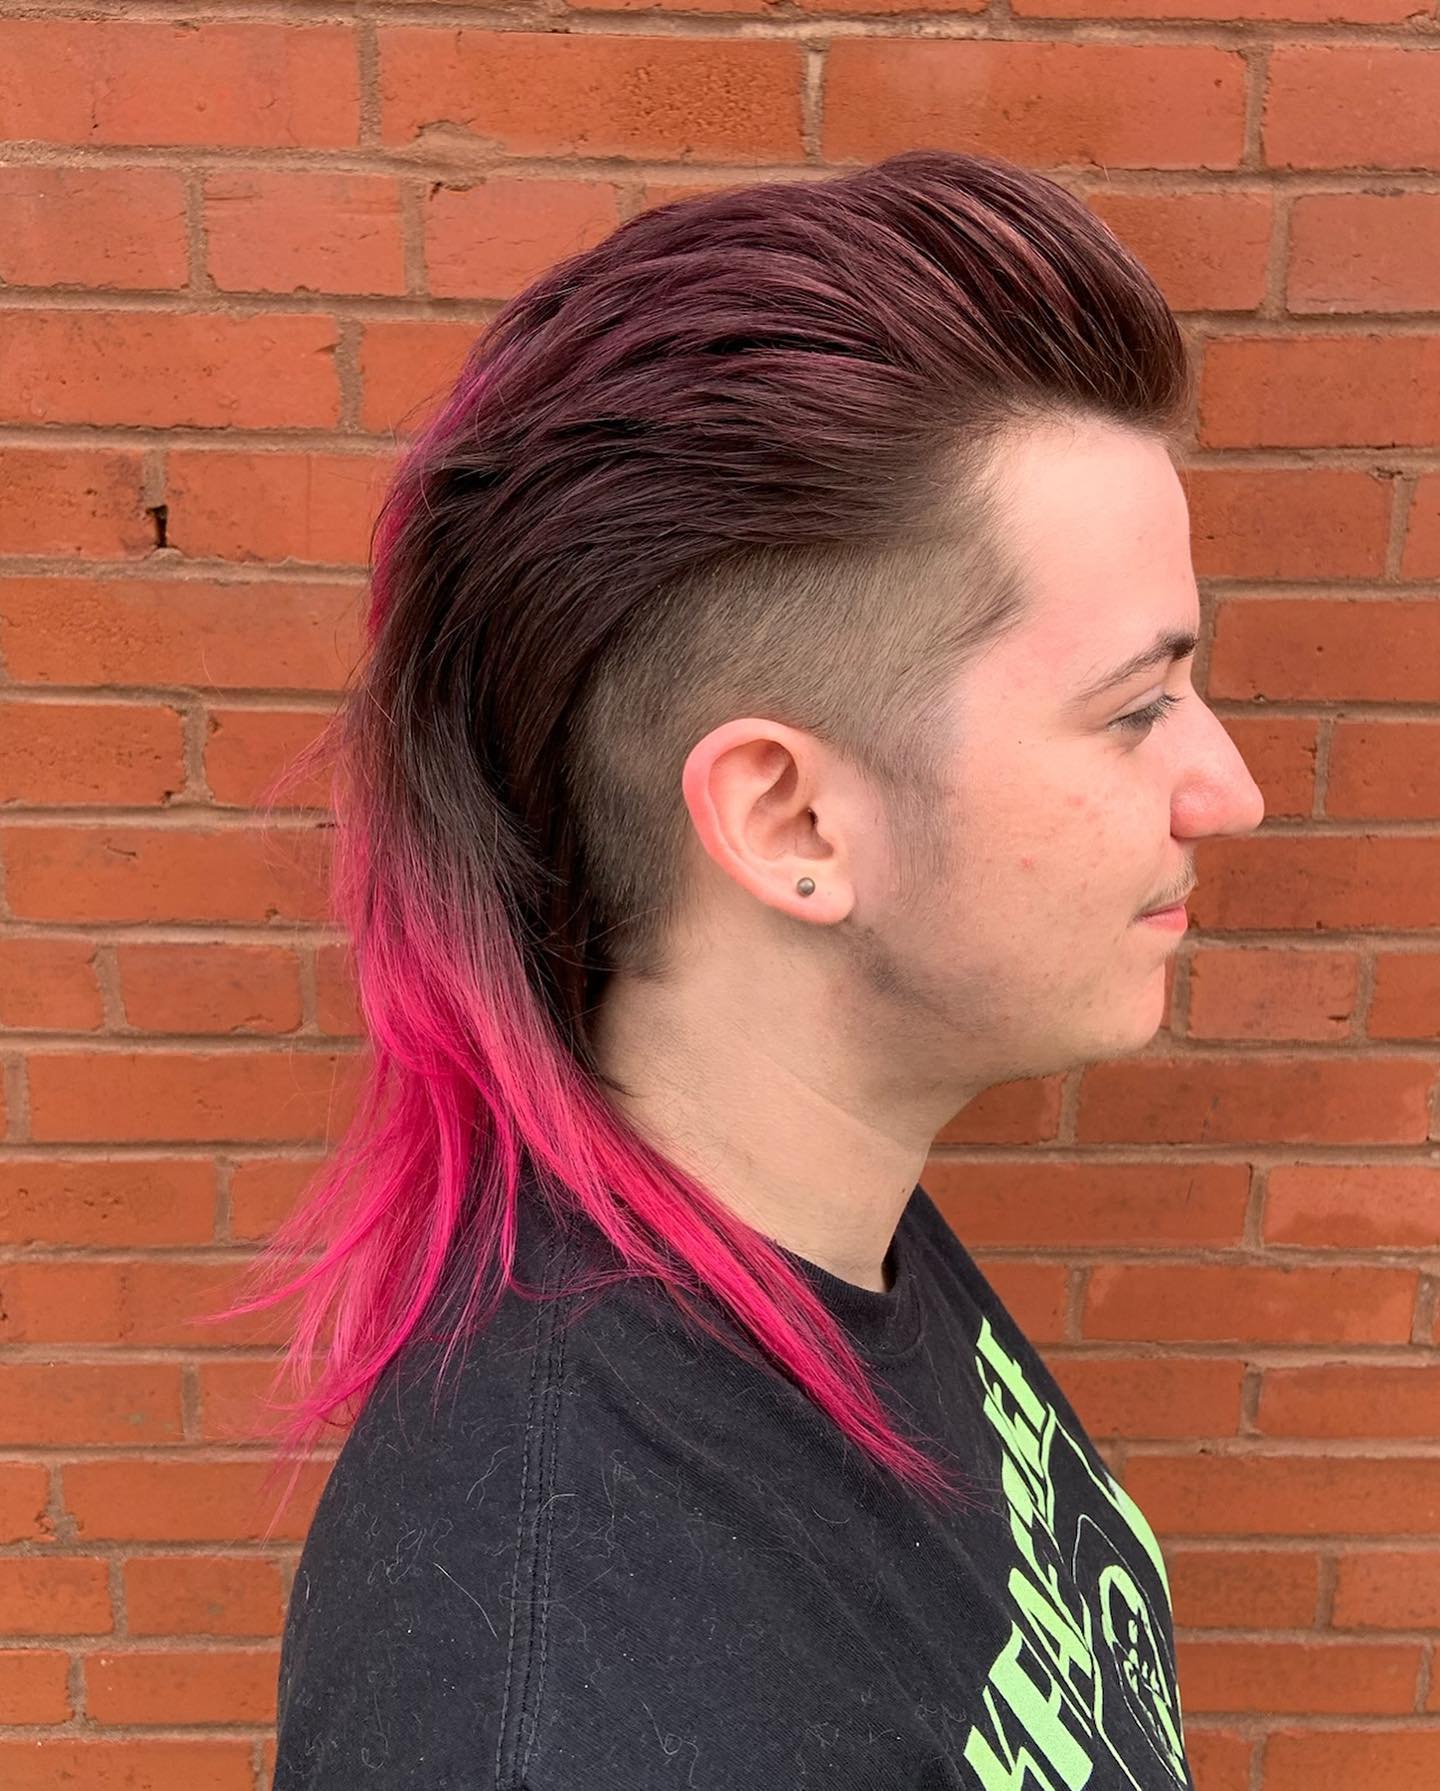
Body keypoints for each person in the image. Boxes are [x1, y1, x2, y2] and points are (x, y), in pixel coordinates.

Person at [236, 148, 1265, 1789]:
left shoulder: (825, 1228)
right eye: (1137, 709)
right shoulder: (559, 1699)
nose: (1228, 790)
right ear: (791, 819)